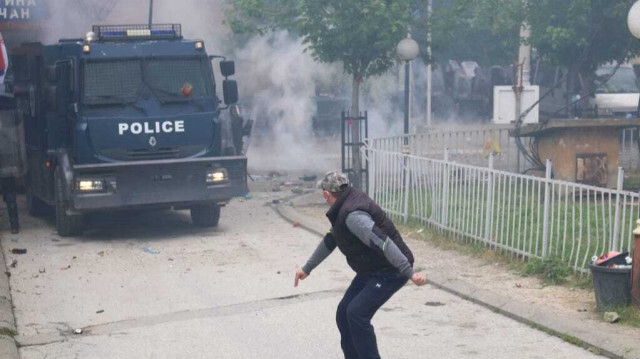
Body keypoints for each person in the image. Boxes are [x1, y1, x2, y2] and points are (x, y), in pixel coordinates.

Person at [295, 171, 426, 359]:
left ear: (326, 194)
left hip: (391, 269)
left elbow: (384, 243)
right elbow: (331, 239)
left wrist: (409, 272)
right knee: (344, 314)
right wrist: (307, 268)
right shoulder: (345, 205)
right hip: (371, 269)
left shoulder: (353, 216)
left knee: (357, 313)